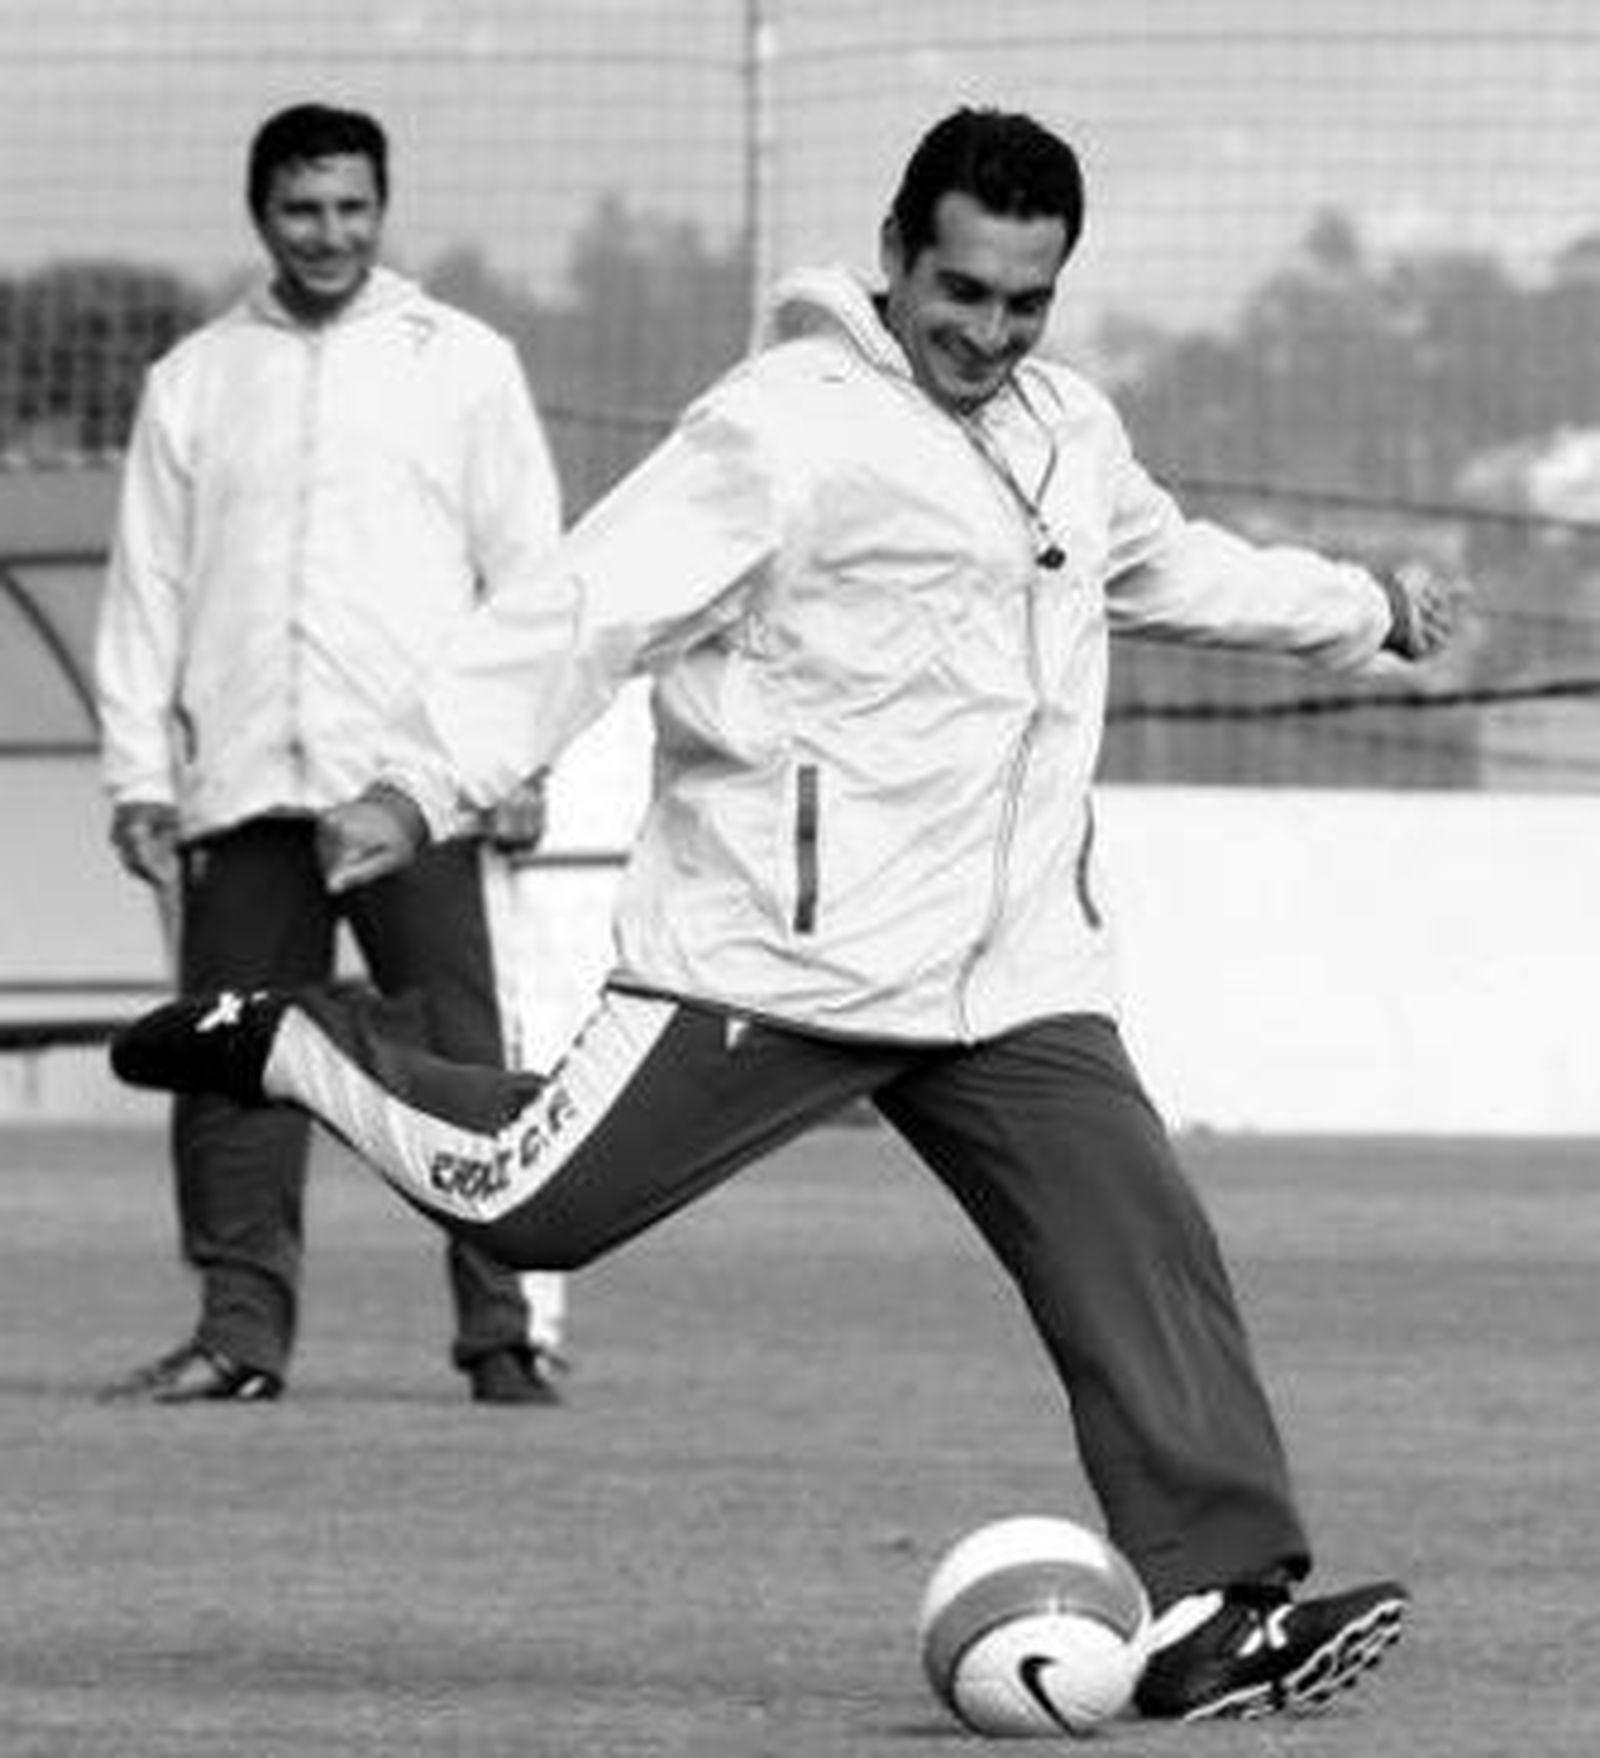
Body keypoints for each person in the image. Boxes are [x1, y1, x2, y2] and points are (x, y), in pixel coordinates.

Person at [111, 107, 1459, 1718]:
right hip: (776, 960)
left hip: (1013, 976)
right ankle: (301, 1043)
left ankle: (1214, 1608)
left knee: (1144, 1250)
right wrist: (421, 783)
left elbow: (1174, 568)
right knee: (523, 1204)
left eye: (1027, 303)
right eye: (963, 292)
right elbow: (585, 607)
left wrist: (1366, 609)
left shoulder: (1070, 432)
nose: (990, 334)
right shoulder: (780, 429)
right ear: (895, 257)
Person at [95, 102, 572, 1407]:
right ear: (262, 214)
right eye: (303, 209)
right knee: (230, 1063)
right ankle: (238, 1336)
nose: (329, 233)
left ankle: (502, 1336)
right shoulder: (194, 379)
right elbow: (145, 592)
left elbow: (532, 577)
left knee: (465, 1063)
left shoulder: (462, 362)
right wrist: (139, 775)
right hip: (243, 787)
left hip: (417, 790)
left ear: (382, 209)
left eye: (353, 207)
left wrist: (519, 760)